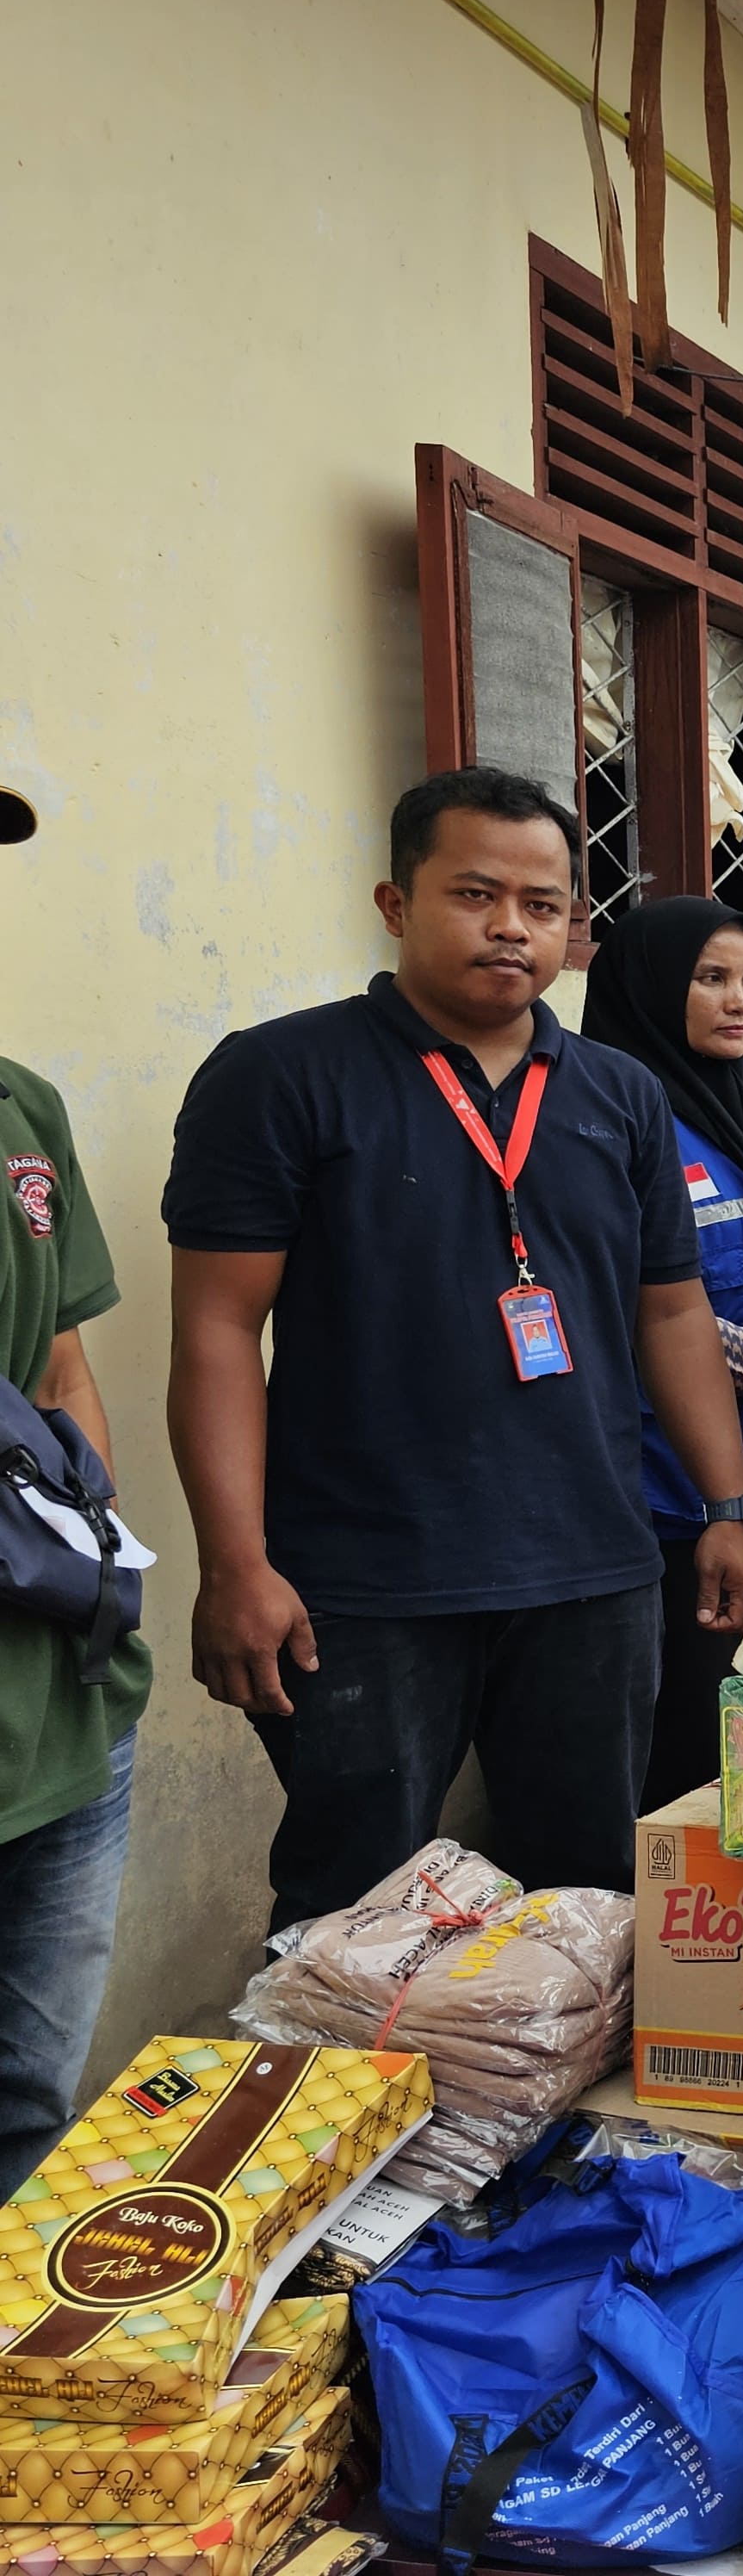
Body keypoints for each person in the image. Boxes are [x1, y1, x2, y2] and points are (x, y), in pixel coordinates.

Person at [166, 767, 743, 1930]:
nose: (511, 928)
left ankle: (546, 2121)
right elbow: (217, 1330)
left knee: (583, 1906)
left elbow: (672, 1313)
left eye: (543, 906)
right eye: (475, 894)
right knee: (356, 1914)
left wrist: (728, 1504)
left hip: (593, 1569)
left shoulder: (622, 1096)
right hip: (362, 1583)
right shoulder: (282, 1076)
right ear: (396, 903)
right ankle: (355, 2111)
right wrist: (236, 1564)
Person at [580, 897, 743, 1809]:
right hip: (661, 1492)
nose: (741, 1002)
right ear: (647, 991)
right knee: (676, 1741)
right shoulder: (613, 1123)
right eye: (710, 979)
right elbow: (655, 1313)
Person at [0, 847, 155, 2195]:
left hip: (61, 1709)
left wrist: (97, 1586)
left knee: (34, 2098)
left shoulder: (21, 1108)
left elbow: (61, 1370)